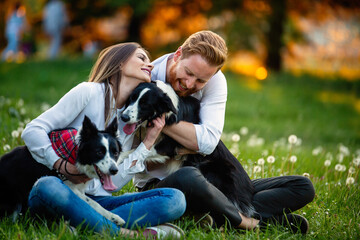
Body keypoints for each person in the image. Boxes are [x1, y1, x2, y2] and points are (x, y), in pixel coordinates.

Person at [133, 30, 315, 233]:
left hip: (209, 179)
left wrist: (158, 115)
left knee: (303, 186)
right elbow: (138, 156)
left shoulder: (215, 80)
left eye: (201, 81)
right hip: (163, 184)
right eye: (189, 73)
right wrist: (190, 141)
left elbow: (208, 142)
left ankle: (221, 214)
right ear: (178, 55)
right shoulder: (147, 78)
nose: (190, 84)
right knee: (189, 177)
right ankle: (249, 223)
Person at [21, 42, 186, 238]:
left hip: (97, 200)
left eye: (150, 62)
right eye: (142, 58)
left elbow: (113, 183)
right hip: (60, 190)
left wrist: (148, 143)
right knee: (47, 186)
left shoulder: (131, 119)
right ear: (119, 63)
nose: (150, 65)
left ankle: (77, 221)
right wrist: (62, 166)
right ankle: (127, 234)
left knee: (175, 199)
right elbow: (32, 130)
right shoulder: (89, 92)